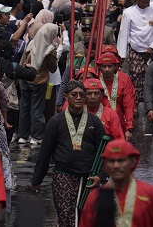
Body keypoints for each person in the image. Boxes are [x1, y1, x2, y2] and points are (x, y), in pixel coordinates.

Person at [31, 80, 107, 227]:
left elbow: (104, 151)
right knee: (66, 216)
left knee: (86, 218)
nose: (78, 98)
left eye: (81, 95)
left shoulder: (95, 122)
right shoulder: (55, 121)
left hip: (88, 178)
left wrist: (101, 176)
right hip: (63, 176)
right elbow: (45, 153)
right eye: (74, 95)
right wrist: (36, 181)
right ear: (66, 97)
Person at [78, 139, 153, 227]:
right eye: (111, 161)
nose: (116, 166)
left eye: (121, 160)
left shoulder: (149, 193)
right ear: (105, 164)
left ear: (133, 161)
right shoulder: (96, 197)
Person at [117, 0, 153, 101]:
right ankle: (136, 102)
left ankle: (151, 102)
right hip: (136, 50)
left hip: (151, 51)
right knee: (136, 76)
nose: (148, 1)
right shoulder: (128, 13)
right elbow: (123, 34)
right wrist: (121, 55)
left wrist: (152, 47)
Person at [97, 51, 136, 140]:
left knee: (117, 151)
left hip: (119, 124)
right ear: (99, 67)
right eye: (104, 66)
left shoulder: (123, 81)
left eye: (110, 66)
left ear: (115, 67)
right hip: (100, 124)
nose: (107, 69)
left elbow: (128, 105)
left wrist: (129, 128)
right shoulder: (96, 83)